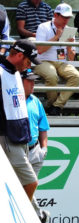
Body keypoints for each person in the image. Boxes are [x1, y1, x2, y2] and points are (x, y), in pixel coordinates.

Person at [0, 39, 41, 201]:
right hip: (7, 136)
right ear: (18, 55)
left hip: (21, 137)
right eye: (28, 61)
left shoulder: (17, 73)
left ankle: (34, 217)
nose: (29, 65)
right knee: (31, 182)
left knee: (14, 183)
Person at [35, 3, 79, 116]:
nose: (66, 20)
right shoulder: (43, 27)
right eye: (64, 17)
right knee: (51, 75)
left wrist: (69, 46)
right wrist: (56, 37)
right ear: (55, 15)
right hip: (43, 61)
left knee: (77, 77)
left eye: (68, 17)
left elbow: (71, 58)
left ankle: (56, 106)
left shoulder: (69, 31)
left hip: (61, 62)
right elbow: (40, 50)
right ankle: (52, 106)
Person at [21, 68, 50, 223]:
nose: (33, 84)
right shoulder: (12, 100)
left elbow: (43, 127)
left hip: (35, 150)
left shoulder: (36, 101)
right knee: (24, 186)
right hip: (17, 150)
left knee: (26, 186)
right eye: (29, 81)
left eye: (34, 81)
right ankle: (39, 215)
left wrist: (44, 149)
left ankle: (34, 218)